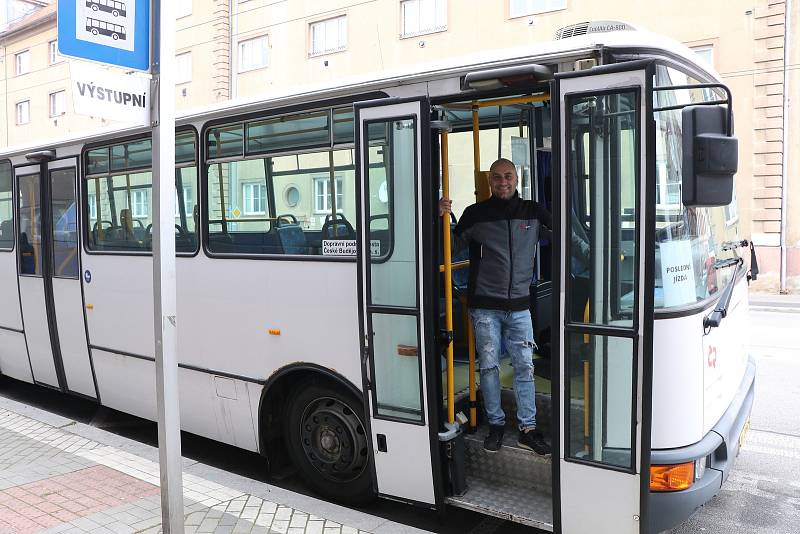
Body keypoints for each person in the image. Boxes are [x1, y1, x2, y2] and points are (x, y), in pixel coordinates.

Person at [439, 158, 552, 455]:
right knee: (489, 367)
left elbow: (567, 235)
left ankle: (528, 428)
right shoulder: (476, 215)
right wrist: (439, 216)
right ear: (489, 182)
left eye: (508, 176)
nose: (503, 182)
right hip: (485, 307)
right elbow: (450, 246)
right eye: (497, 177)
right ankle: (497, 424)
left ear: (518, 179)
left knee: (524, 366)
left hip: (519, 307)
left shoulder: (534, 212)